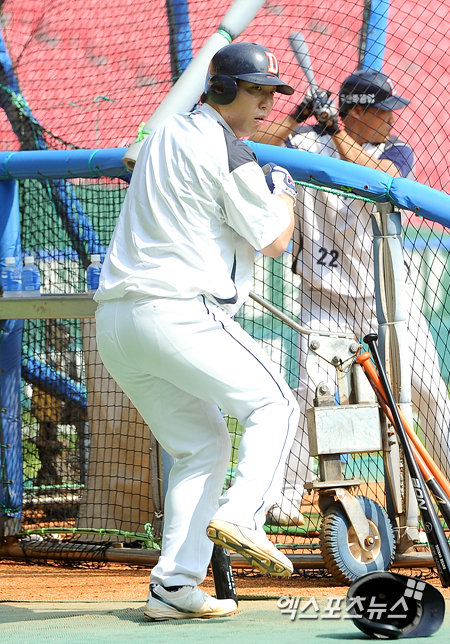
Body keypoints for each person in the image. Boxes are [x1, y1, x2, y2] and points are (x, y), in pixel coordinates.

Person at [94, 41, 300, 622]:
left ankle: (173, 587)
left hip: (117, 325)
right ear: (225, 89)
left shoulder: (163, 132)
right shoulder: (229, 151)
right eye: (257, 91)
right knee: (276, 405)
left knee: (202, 446)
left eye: (272, 93)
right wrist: (283, 189)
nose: (267, 104)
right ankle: (244, 514)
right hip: (177, 312)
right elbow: (275, 240)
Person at [253, 69, 450, 527]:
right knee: (311, 392)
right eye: (383, 111)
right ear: (358, 111)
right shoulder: (304, 143)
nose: (392, 119)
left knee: (429, 394)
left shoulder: (395, 151)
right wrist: (301, 114)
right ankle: (285, 496)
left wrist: (336, 130)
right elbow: (254, 145)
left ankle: (447, 484)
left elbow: (379, 176)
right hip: (323, 300)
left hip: (388, 301)